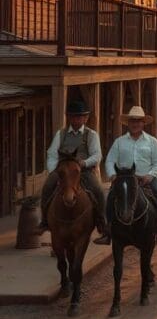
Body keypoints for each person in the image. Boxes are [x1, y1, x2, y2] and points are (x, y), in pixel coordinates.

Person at [99, 106, 157, 246]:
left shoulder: (152, 141)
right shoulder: (119, 142)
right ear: (128, 123)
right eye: (132, 121)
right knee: (109, 199)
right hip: (123, 180)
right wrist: (113, 175)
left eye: (138, 121)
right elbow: (109, 160)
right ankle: (108, 232)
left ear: (143, 123)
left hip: (147, 179)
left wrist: (150, 176)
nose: (135, 124)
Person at [38, 101, 108, 243]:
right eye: (74, 117)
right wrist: (54, 170)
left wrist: (84, 163)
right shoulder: (61, 134)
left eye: (80, 117)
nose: (77, 120)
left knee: (99, 191)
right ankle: (44, 220)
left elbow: (97, 155)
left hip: (83, 171)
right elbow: (51, 153)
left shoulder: (91, 135)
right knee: (47, 187)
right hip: (63, 171)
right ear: (69, 118)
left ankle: (102, 222)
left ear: (85, 118)